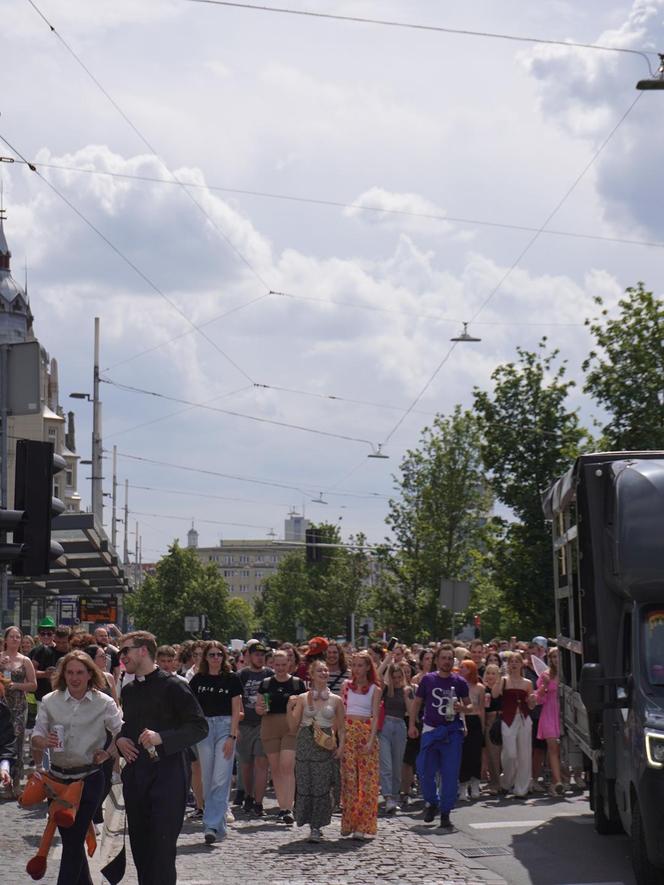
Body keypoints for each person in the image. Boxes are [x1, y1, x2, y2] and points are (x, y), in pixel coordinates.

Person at [116, 631, 208, 885]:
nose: (122, 657)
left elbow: (199, 727)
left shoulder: (175, 685)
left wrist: (162, 737)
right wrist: (120, 739)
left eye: (126, 651)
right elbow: (129, 728)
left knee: (162, 849)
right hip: (137, 776)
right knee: (141, 847)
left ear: (143, 650)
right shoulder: (130, 689)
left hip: (169, 776)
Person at [31, 650, 123, 885]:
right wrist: (45, 742)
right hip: (57, 781)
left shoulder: (104, 702)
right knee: (72, 840)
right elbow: (36, 736)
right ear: (63, 675)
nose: (75, 678)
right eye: (70, 672)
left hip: (89, 779)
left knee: (73, 841)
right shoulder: (51, 700)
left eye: (80, 672)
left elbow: (121, 732)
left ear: (90, 675)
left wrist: (109, 752)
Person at [409, 643, 471, 830]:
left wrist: (463, 708)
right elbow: (417, 703)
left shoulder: (459, 682)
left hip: (452, 731)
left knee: (450, 775)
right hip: (430, 729)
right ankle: (432, 802)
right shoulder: (428, 680)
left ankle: (445, 813)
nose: (446, 661)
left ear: (453, 661)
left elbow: (471, 706)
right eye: (442, 658)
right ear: (436, 660)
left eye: (449, 658)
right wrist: (412, 724)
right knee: (424, 771)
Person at [189, 641, 242, 844]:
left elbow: (237, 709)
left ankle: (210, 825)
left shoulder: (232, 679)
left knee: (221, 777)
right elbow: (192, 707)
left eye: (219, 654)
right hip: (204, 729)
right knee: (208, 778)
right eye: (211, 655)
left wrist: (232, 736)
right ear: (205, 658)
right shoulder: (198, 680)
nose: (216, 658)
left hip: (225, 727)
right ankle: (218, 827)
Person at [289, 658, 344, 842]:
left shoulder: (336, 700)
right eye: (319, 671)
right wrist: (290, 709)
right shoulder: (303, 698)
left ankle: (317, 826)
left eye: (326, 670)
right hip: (306, 741)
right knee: (306, 783)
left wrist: (341, 746)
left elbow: (341, 727)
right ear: (311, 675)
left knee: (322, 785)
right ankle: (308, 820)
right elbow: (293, 726)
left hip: (325, 744)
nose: (324, 673)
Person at [255, 649, 306, 824]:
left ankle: (288, 808)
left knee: (287, 766)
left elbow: (303, 708)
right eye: (277, 665)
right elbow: (259, 706)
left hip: (290, 727)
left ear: (289, 664)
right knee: (275, 768)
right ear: (272, 665)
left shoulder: (298, 684)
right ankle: (282, 807)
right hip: (269, 726)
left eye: (284, 665)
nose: (281, 668)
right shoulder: (266, 683)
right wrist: (260, 709)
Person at [341, 650, 382, 839]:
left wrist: (371, 740)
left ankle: (363, 825)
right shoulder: (346, 686)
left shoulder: (375, 689)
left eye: (360, 665)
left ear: (367, 667)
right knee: (349, 781)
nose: (356, 669)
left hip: (365, 732)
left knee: (366, 783)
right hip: (348, 731)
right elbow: (341, 713)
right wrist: (340, 739)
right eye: (354, 665)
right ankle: (349, 821)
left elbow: (374, 716)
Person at [492, 651, 536, 797]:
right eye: (511, 661)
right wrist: (498, 678)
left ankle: (521, 788)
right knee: (510, 754)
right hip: (508, 719)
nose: (514, 664)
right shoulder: (504, 680)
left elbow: (531, 705)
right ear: (508, 665)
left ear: (521, 664)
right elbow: (494, 694)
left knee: (524, 754)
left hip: (524, 719)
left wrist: (533, 700)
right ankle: (506, 782)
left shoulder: (528, 683)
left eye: (517, 661)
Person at [236, 640, 273, 815]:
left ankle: (259, 802)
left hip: (263, 725)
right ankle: (248, 795)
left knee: (261, 762)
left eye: (262, 655)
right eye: (256, 654)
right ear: (249, 656)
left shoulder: (270, 675)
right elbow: (236, 702)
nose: (260, 658)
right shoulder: (241, 675)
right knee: (246, 764)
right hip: (244, 725)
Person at [1, 626, 37, 794]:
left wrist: (17, 685)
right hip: (2, 705)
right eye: (12, 636)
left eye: (18, 637)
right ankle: (5, 780)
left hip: (18, 706)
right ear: (6, 639)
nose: (15, 639)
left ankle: (15, 782)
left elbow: (33, 685)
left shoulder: (25, 660)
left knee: (18, 743)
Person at [379, 662, 413, 813]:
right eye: (395, 677)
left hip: (400, 725)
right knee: (386, 764)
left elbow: (411, 711)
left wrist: (406, 696)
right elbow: (377, 675)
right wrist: (389, 658)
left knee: (397, 765)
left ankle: (394, 795)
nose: (398, 680)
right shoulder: (386, 689)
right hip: (385, 725)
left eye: (400, 677)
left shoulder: (407, 690)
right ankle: (387, 797)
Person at [535, 646, 564, 797]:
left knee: (560, 750)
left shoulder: (568, 675)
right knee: (553, 748)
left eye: (557, 656)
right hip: (548, 714)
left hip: (563, 714)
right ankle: (558, 781)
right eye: (552, 657)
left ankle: (554, 782)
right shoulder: (545, 675)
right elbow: (538, 699)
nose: (555, 659)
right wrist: (545, 686)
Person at [458, 659, 485, 800]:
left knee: (475, 754)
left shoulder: (480, 687)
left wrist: (483, 726)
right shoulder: (457, 685)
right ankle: (462, 786)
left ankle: (475, 784)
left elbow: (481, 709)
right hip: (462, 719)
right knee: (463, 755)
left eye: (464, 667)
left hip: (475, 721)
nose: (460, 669)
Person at [482, 663, 502, 795]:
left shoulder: (501, 688)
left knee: (504, 755)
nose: (490, 676)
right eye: (488, 672)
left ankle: (504, 781)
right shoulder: (483, 689)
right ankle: (494, 783)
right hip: (489, 723)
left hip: (502, 721)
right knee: (492, 755)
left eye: (493, 673)